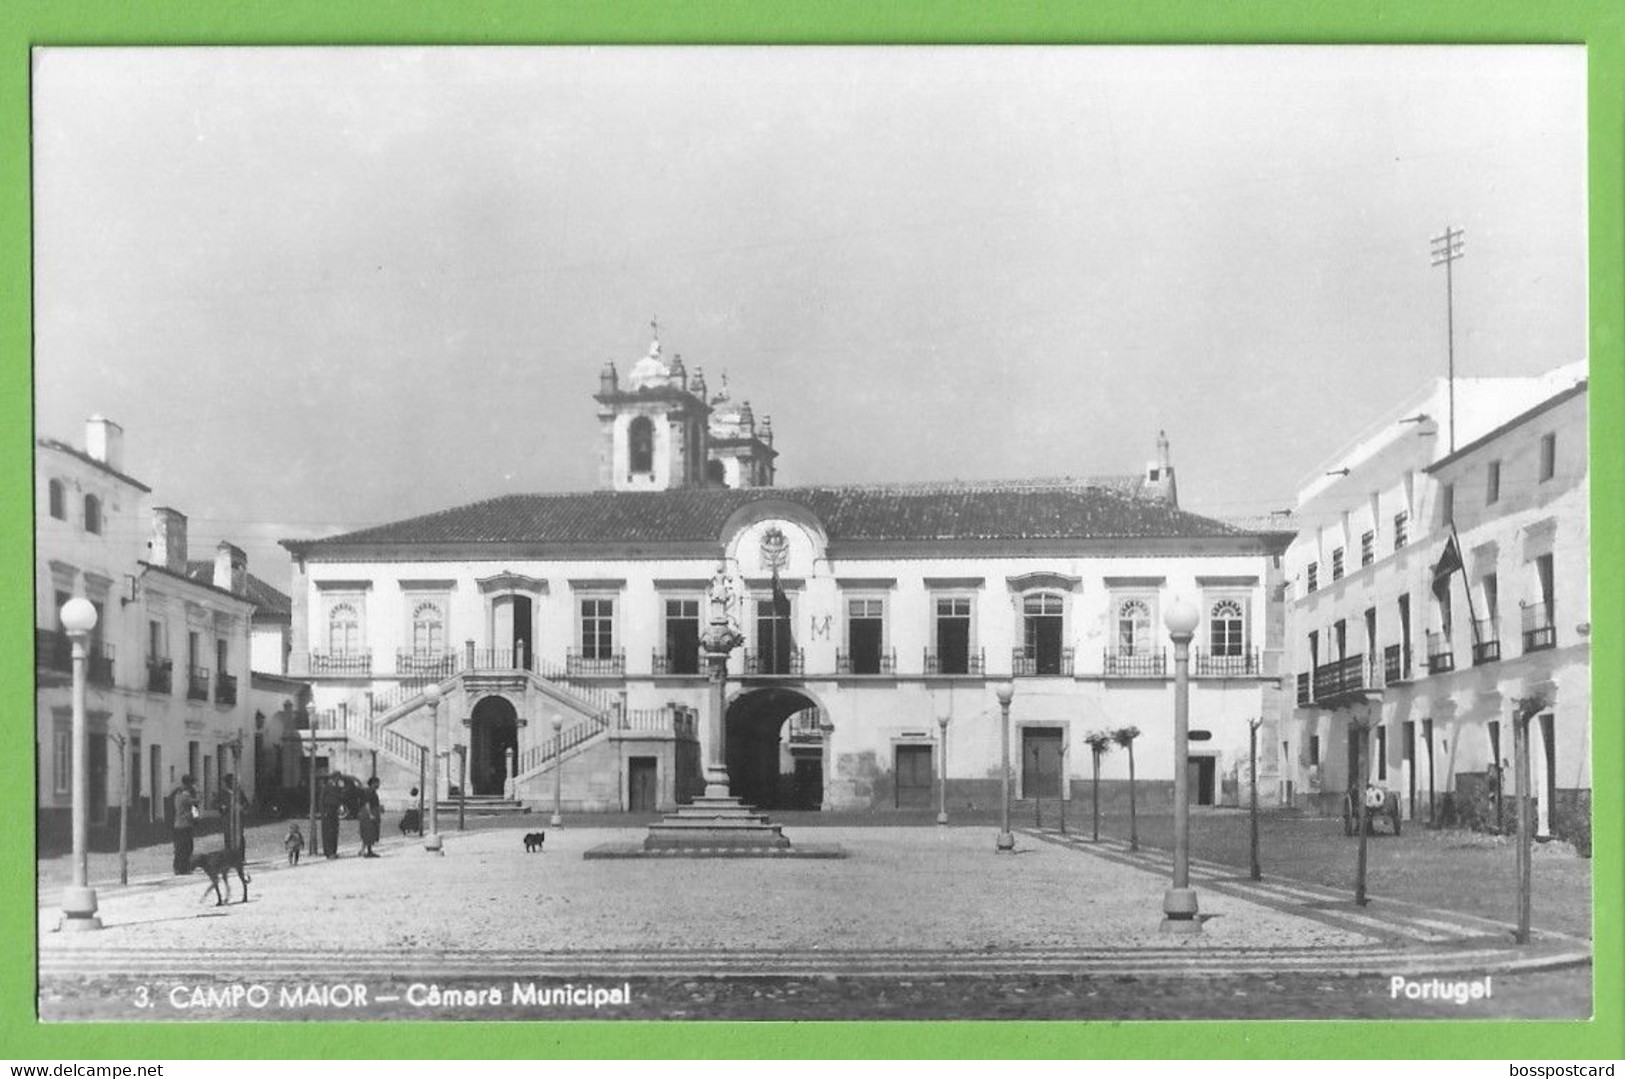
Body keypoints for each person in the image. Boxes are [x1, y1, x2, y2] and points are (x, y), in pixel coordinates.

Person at [170, 775, 199, 875]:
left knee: (181, 847)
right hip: (184, 824)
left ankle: (180, 867)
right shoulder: (184, 796)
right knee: (185, 847)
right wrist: (198, 791)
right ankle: (183, 868)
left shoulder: (178, 793)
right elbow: (197, 801)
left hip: (180, 824)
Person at [216, 772, 251, 852]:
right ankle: (230, 856)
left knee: (239, 837)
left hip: (238, 819)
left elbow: (246, 803)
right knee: (228, 837)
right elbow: (216, 804)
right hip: (227, 818)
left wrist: (242, 807)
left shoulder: (238, 792)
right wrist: (222, 807)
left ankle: (240, 857)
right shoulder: (222, 793)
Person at [358, 777, 383, 858]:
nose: (378, 785)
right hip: (368, 813)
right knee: (369, 832)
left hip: (372, 812)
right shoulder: (369, 791)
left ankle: (363, 850)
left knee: (370, 832)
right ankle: (369, 851)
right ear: (373, 783)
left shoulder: (372, 792)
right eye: (377, 783)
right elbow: (367, 803)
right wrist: (370, 814)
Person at [319, 775, 343, 859]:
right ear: (333, 778)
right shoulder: (326, 787)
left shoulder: (338, 788)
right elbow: (321, 800)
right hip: (327, 812)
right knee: (327, 833)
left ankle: (333, 851)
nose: (338, 780)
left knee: (334, 832)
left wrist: (340, 807)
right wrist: (323, 812)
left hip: (334, 811)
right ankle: (328, 852)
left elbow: (340, 798)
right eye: (337, 778)